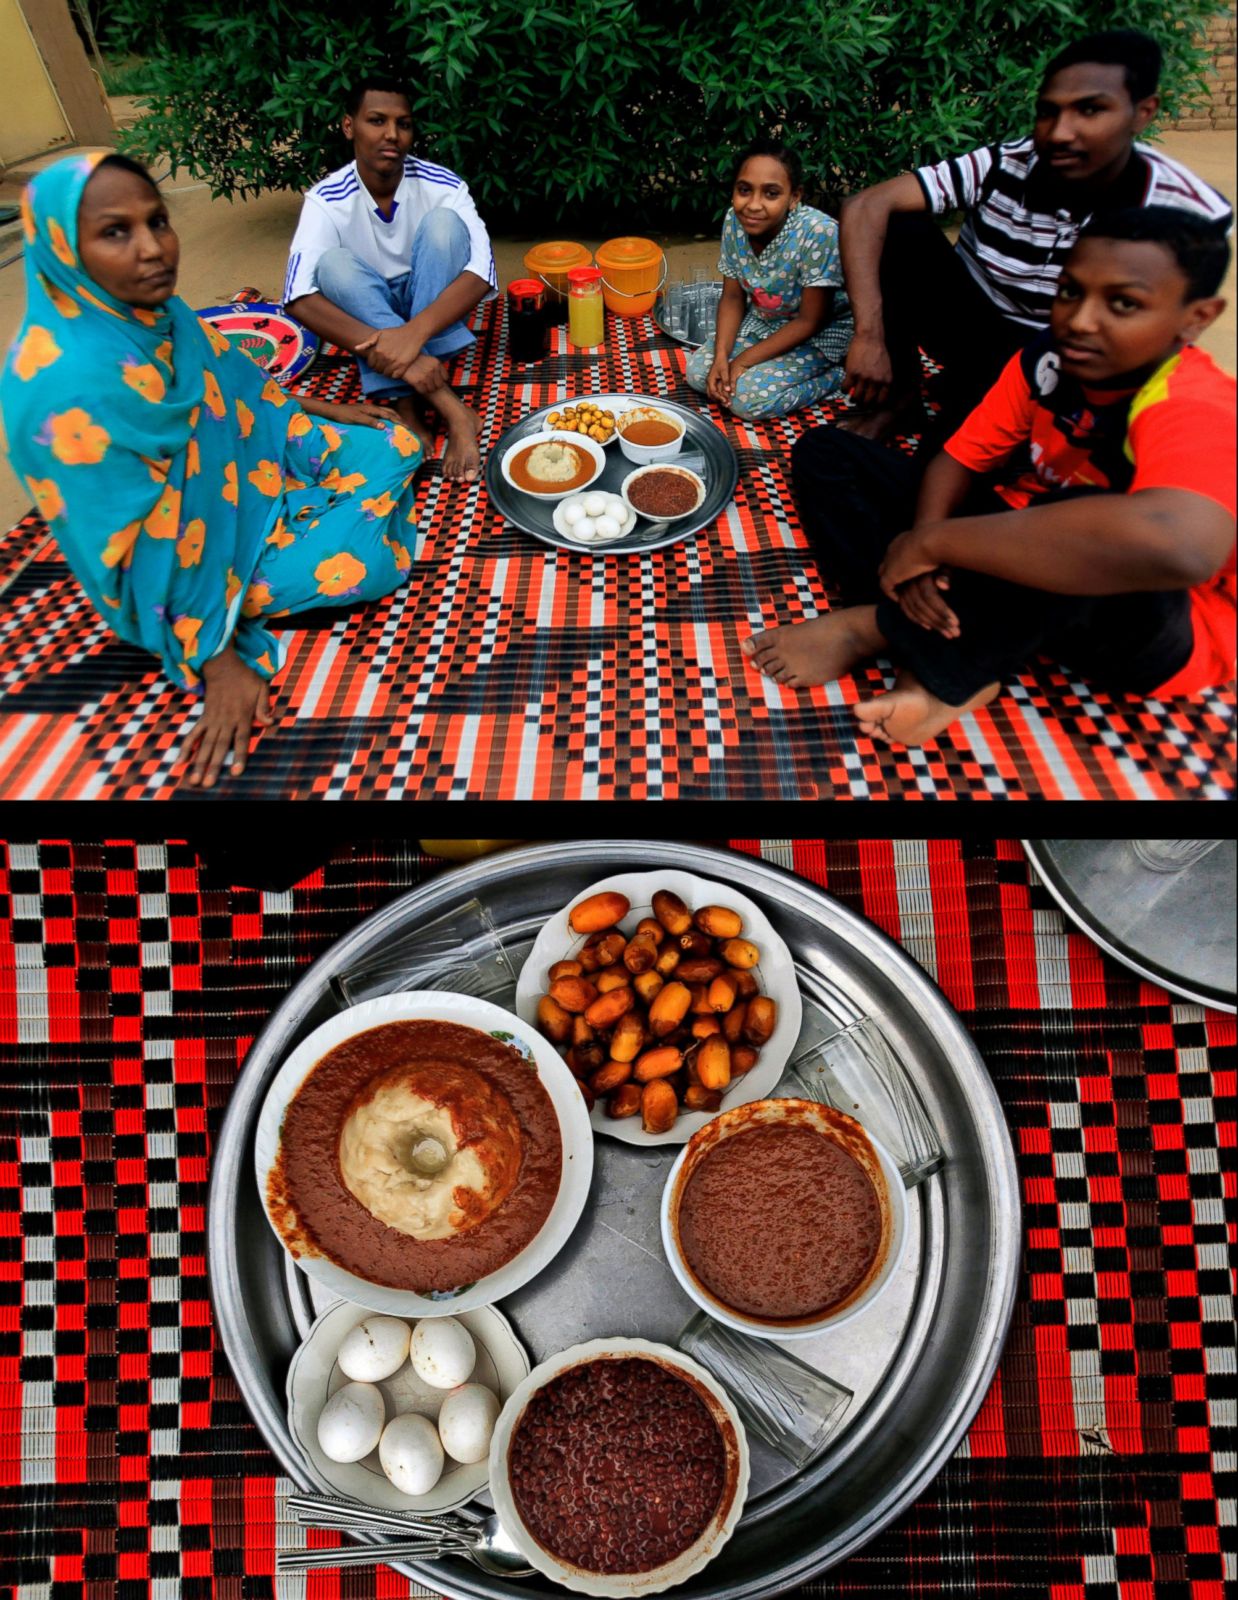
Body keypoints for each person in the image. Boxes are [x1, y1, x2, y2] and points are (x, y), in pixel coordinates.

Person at [1, 150, 424, 789]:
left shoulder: (160, 317)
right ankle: (285, 557)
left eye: (158, 222)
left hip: (248, 470)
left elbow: (240, 387)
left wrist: (322, 405)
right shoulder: (60, 391)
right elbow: (129, 550)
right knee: (373, 565)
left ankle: (319, 512)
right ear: (62, 246)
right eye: (116, 232)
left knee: (395, 442)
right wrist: (219, 658)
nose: (153, 249)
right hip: (181, 564)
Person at [742, 208, 1235, 749]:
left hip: (1157, 623)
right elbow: (958, 458)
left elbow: (1180, 549)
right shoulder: (1048, 359)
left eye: (1124, 304)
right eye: (1070, 292)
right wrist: (922, 552)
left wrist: (933, 540)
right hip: (1022, 535)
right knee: (828, 451)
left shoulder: (1194, 405)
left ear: (1196, 317)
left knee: (1092, 523)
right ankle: (919, 612)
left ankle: (884, 633)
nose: (1081, 321)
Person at [830, 28, 1231, 448]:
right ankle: (901, 398)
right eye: (1048, 112)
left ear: (1143, 112)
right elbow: (864, 206)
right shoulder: (1007, 161)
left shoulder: (1188, 212)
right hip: (970, 325)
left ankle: (993, 407)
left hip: (1060, 357)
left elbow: (1168, 336)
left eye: (1090, 110)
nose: (1060, 132)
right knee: (900, 229)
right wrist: (869, 336)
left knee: (953, 460)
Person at [284, 77, 496, 482]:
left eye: (403, 124)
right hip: (370, 311)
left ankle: (409, 397)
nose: (391, 135)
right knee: (333, 267)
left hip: (427, 309)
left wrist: (414, 333)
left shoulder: (443, 185)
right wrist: (406, 352)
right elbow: (297, 298)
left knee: (444, 227)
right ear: (349, 126)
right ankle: (444, 407)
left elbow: (481, 272)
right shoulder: (327, 199)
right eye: (376, 121)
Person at [684, 142, 853, 419]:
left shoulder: (817, 233)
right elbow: (733, 297)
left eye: (771, 194)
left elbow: (811, 321)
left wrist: (742, 362)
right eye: (744, 190)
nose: (753, 205)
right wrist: (722, 357)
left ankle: (838, 375)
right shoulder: (734, 222)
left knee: (747, 400)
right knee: (700, 372)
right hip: (766, 321)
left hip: (820, 333)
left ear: (794, 197)